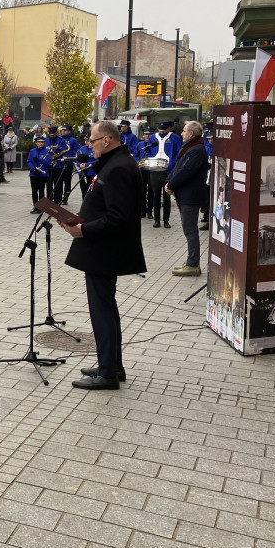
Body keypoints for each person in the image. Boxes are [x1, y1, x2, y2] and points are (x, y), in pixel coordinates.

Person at [59, 120, 146, 390]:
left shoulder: (119, 168)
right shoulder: (113, 163)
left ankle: (107, 374)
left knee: (102, 311)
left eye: (93, 141)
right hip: (103, 250)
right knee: (106, 309)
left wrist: (84, 229)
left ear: (107, 140)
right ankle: (112, 365)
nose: (89, 145)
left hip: (106, 251)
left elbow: (119, 217)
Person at [164, 121, 210, 277]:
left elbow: (186, 172)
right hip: (185, 194)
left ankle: (193, 264)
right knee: (188, 230)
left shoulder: (197, 150)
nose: (181, 133)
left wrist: (171, 184)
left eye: (183, 131)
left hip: (190, 196)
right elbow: (178, 168)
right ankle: (191, 261)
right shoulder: (190, 148)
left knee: (190, 231)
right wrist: (169, 183)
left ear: (191, 134)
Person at [146, 121, 183, 229]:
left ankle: (166, 220)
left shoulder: (175, 138)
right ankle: (157, 220)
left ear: (169, 129)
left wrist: (173, 164)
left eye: (164, 129)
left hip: (168, 170)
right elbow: (148, 150)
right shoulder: (153, 137)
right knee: (156, 195)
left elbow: (178, 152)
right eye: (160, 129)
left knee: (167, 196)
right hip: (154, 170)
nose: (161, 131)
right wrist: (149, 161)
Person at [27, 135, 50, 214]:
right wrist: (33, 168)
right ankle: (35, 206)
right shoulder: (32, 151)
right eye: (39, 142)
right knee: (34, 191)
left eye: (42, 142)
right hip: (33, 173)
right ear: (36, 143)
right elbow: (29, 161)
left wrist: (40, 160)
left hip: (42, 174)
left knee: (41, 190)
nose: (41, 143)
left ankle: (41, 207)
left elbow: (48, 162)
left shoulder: (47, 151)